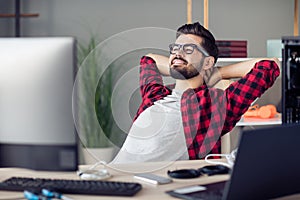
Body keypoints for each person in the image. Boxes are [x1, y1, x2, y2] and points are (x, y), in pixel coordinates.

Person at [111, 22, 280, 164]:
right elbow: (149, 59)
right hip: (111, 175)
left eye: (188, 49)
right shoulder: (154, 94)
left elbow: (270, 65)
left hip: (148, 187)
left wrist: (217, 73)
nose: (178, 52)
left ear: (208, 62)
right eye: (175, 48)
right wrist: (182, 64)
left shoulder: (214, 106)